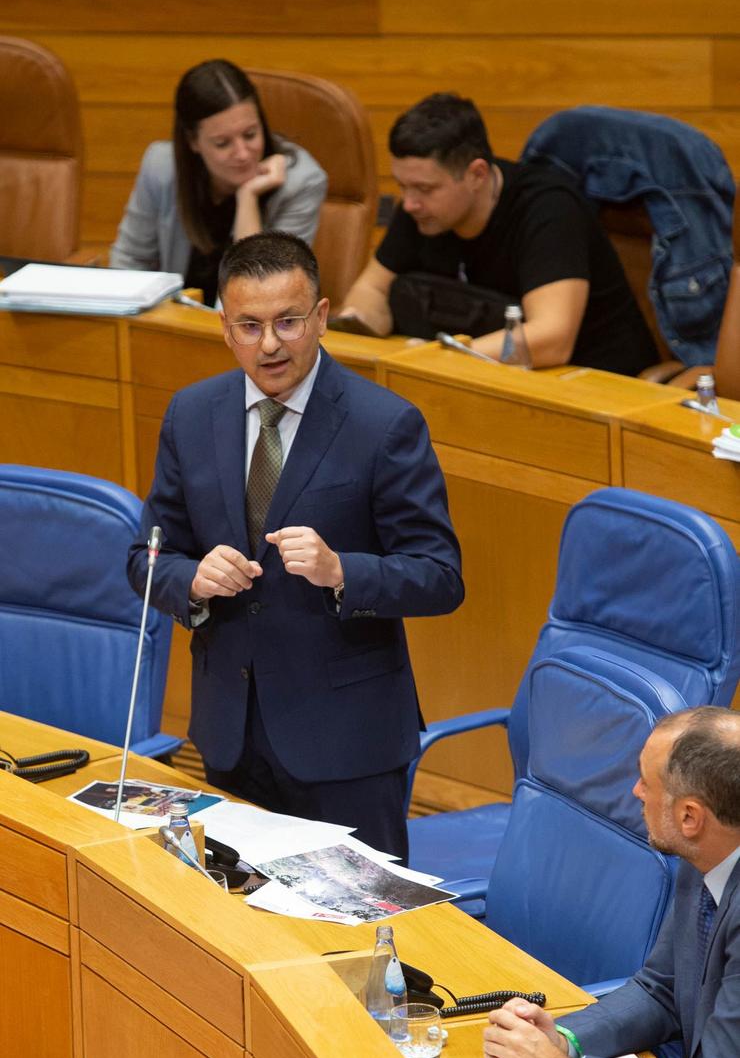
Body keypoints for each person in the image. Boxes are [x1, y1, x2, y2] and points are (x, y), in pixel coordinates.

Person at [127, 231, 464, 863]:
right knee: (237, 930)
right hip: (230, 733)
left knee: (355, 945)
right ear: (224, 328)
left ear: (322, 317)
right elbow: (146, 558)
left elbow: (440, 575)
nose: (271, 343)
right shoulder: (191, 415)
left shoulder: (384, 424)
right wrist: (193, 580)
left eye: (288, 321)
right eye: (250, 326)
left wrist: (343, 571)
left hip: (347, 745)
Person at [483, 706, 740, 1058]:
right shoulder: (709, 850)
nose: (636, 792)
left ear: (689, 817)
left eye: (647, 783)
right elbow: (661, 991)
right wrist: (565, 1040)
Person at [338, 93, 658, 376]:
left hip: (595, 381)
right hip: (487, 374)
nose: (409, 202)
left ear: (477, 174)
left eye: (424, 188)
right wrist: (360, 322)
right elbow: (371, 290)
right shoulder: (421, 209)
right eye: (403, 185)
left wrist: (431, 361)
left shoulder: (549, 208)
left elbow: (552, 338)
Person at [110, 59, 327, 306]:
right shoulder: (161, 168)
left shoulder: (301, 182)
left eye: (250, 134)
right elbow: (130, 261)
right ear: (193, 142)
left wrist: (248, 198)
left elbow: (261, 298)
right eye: (223, 143)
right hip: (170, 326)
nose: (243, 153)